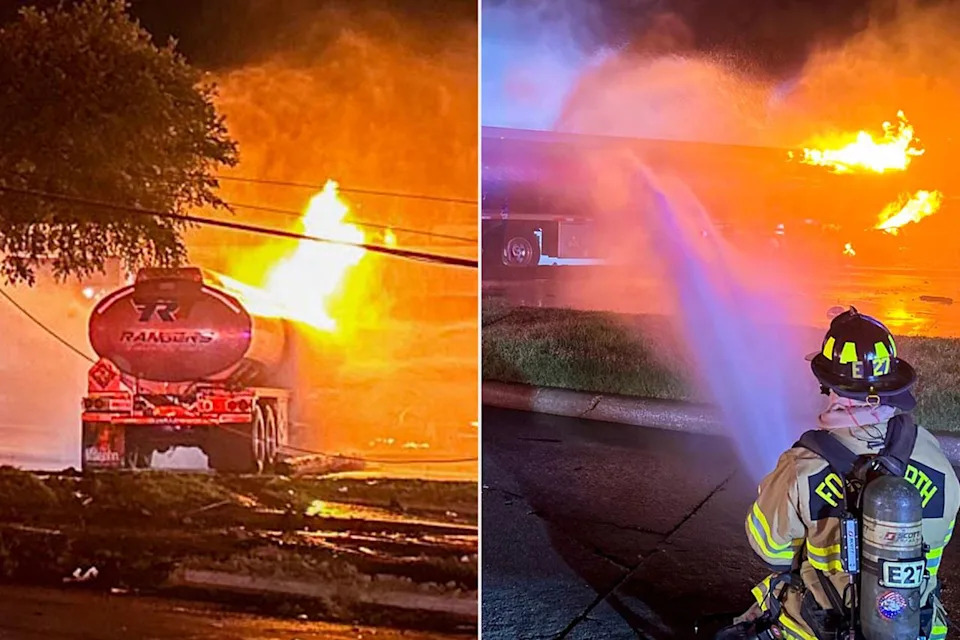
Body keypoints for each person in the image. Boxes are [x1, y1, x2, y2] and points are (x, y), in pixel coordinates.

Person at [724, 308, 959, 640]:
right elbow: (939, 541)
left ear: (828, 385)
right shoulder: (936, 458)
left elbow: (767, 549)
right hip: (917, 630)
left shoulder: (802, 466)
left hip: (823, 630)